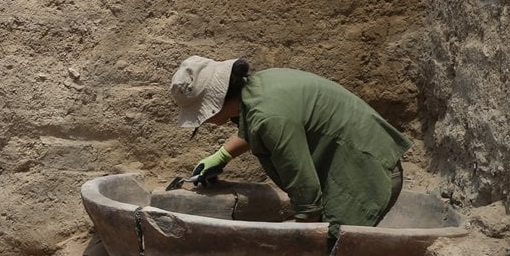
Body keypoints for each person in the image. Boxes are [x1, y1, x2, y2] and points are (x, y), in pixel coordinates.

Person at [169, 56, 412, 227]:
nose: (204, 122)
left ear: (214, 104)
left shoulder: (268, 116)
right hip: (367, 156)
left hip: (369, 171)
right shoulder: (260, 87)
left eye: (200, 114)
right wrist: (221, 157)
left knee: (332, 252)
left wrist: (302, 241)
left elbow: (304, 187)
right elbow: (258, 129)